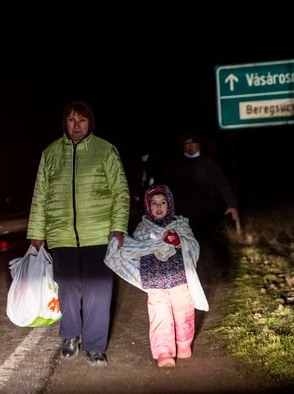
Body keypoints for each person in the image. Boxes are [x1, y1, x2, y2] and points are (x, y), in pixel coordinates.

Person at [27, 100, 130, 366]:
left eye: (81, 120)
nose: (76, 125)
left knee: (98, 290)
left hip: (99, 234)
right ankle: (71, 335)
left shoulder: (105, 150)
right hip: (61, 234)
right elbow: (40, 196)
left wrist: (117, 228)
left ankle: (95, 346)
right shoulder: (50, 154)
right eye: (71, 120)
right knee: (68, 288)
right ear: (65, 123)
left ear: (89, 123)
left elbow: (120, 192)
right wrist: (37, 233)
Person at [104, 184, 208, 368]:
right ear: (148, 206)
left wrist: (178, 241)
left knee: (183, 309)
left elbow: (193, 245)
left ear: (170, 205)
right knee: (160, 314)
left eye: (163, 202)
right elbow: (138, 247)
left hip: (178, 277)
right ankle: (164, 352)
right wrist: (155, 244)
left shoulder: (180, 224)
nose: (159, 206)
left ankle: (184, 344)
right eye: (154, 203)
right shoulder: (143, 228)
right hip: (154, 279)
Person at [159, 134, 239, 280]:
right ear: (183, 146)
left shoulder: (209, 164)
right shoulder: (175, 165)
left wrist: (232, 205)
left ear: (199, 145)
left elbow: (223, 184)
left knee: (205, 247)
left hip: (205, 214)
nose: (190, 146)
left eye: (193, 143)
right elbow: (166, 189)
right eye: (187, 144)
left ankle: (206, 277)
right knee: (183, 247)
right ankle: (188, 277)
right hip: (182, 216)